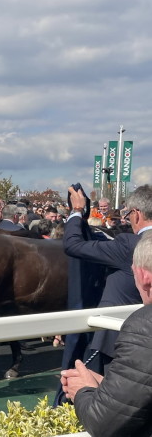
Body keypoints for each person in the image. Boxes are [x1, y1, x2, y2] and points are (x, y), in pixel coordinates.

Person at [60, 231, 152, 437]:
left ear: (144, 277)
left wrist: (83, 390)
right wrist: (109, 388)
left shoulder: (144, 325)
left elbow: (102, 424)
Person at [62, 184, 151, 373]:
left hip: (117, 338)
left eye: (128, 216)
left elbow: (73, 246)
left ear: (136, 214)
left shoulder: (129, 244)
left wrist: (77, 211)